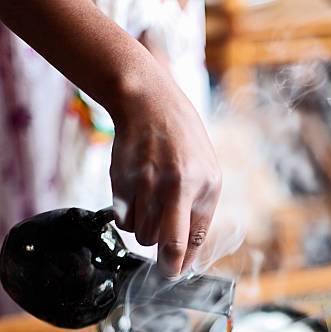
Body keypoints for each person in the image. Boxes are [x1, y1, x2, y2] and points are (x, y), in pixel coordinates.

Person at [0, 0, 221, 289]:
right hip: (43, 42)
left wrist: (154, 59)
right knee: (39, 267)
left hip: (162, 55)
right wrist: (137, 84)